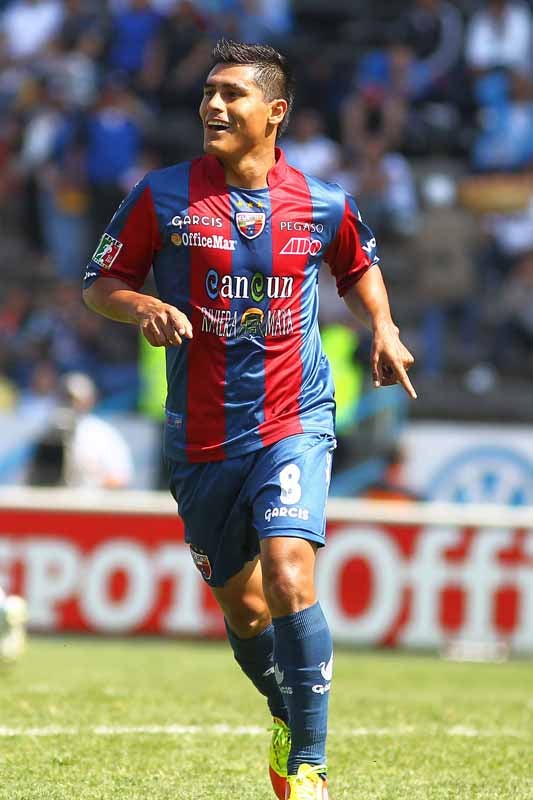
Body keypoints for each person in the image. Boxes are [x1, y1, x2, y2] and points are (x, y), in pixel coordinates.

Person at [83, 39, 416, 800]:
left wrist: (384, 327)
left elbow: (358, 264)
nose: (212, 105)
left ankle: (310, 767)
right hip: (200, 435)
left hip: (293, 416)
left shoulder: (322, 201)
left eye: (232, 94)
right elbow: (100, 282)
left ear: (275, 113)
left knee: (290, 571)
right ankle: (285, 713)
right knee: (245, 608)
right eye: (208, 92)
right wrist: (140, 306)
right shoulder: (160, 195)